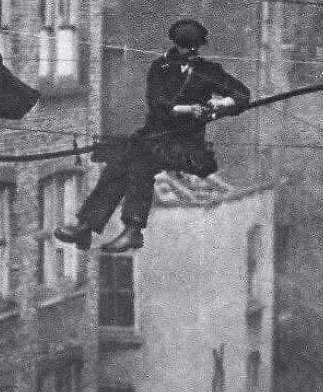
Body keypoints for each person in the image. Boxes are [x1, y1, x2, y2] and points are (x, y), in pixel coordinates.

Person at [54, 18, 251, 254]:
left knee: (141, 165)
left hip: (186, 146)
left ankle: (132, 230)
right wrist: (191, 108)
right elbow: (158, 104)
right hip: (153, 137)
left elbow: (242, 95)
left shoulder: (209, 71)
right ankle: (86, 225)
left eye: (195, 46)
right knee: (118, 164)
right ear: (176, 45)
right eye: (186, 46)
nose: (191, 51)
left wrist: (219, 103)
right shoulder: (160, 68)